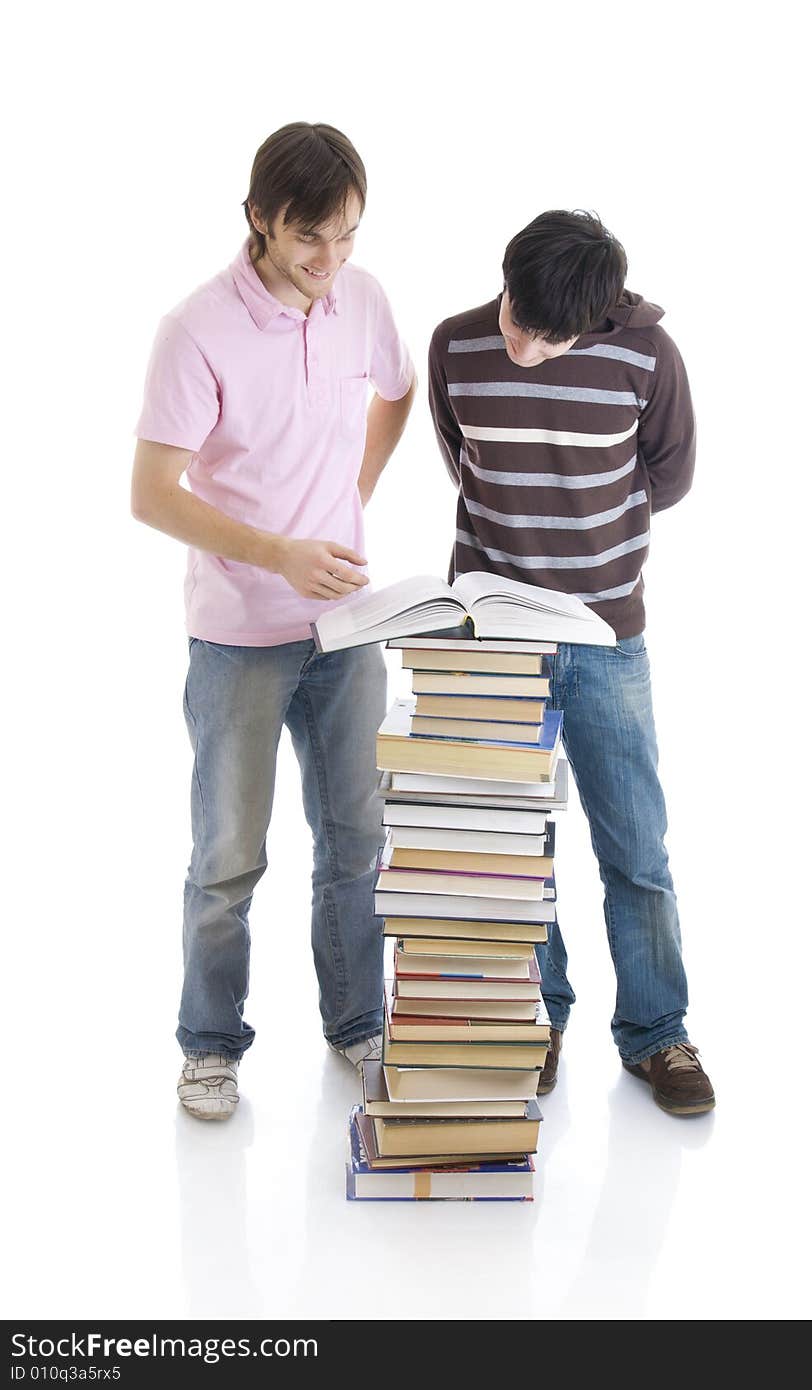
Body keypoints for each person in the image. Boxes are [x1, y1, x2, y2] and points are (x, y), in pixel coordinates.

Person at [132, 122, 415, 1120]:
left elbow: (398, 389)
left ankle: (356, 1024)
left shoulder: (362, 296)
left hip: (346, 631)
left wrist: (353, 496)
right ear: (258, 219)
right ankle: (209, 1046)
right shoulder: (195, 328)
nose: (328, 262)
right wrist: (277, 551)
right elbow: (151, 494)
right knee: (227, 858)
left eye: (346, 236)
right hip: (238, 638)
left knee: (355, 840)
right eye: (308, 239)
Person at [427, 210, 714, 1115]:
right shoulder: (456, 345)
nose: (523, 347)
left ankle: (657, 1034)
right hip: (487, 637)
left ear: (592, 320)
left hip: (605, 638)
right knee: (512, 852)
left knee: (636, 846)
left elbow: (667, 477)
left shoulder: (649, 357)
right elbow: (462, 458)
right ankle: (535, 1019)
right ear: (505, 281)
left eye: (549, 340)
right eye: (516, 318)